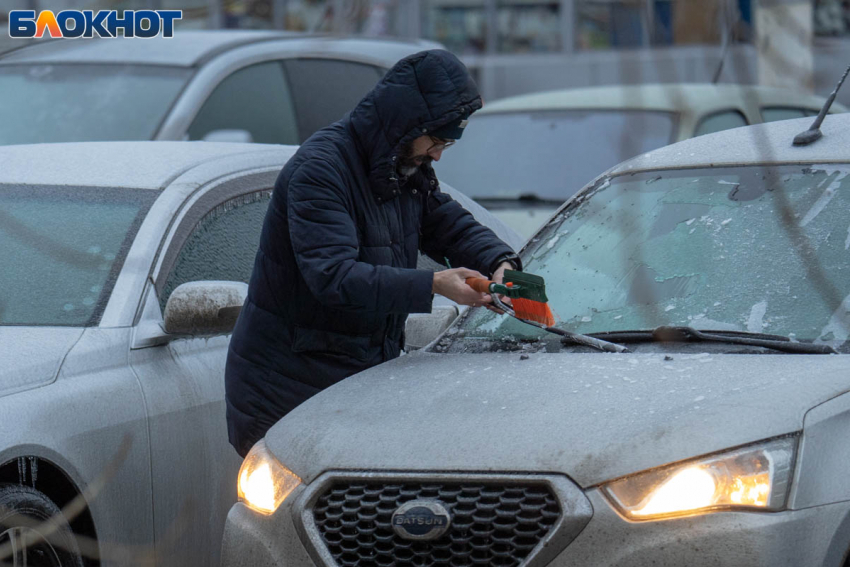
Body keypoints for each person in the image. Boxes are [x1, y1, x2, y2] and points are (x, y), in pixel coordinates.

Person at [224, 49, 521, 457]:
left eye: (447, 143)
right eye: (436, 140)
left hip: (353, 382)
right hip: (288, 388)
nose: (437, 154)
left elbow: (446, 223)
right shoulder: (322, 170)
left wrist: (499, 262)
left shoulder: (400, 165)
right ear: (407, 123)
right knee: (288, 516)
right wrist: (433, 284)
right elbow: (334, 277)